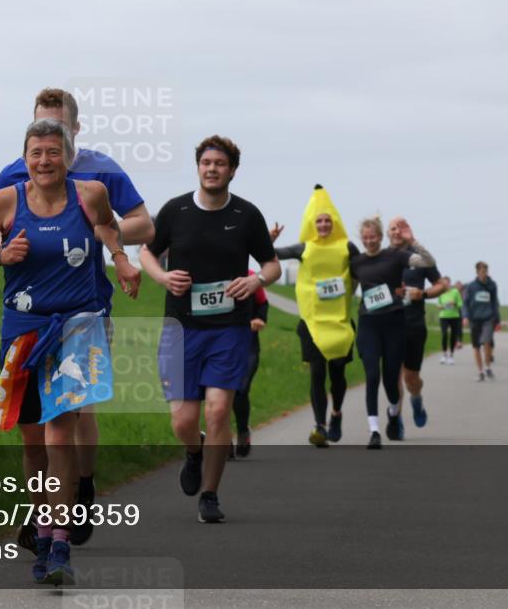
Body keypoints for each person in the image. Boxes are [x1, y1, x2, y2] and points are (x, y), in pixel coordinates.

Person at [0, 118, 140, 584]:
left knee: (60, 436)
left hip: (77, 329)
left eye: (53, 152)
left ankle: (59, 543)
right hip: (23, 332)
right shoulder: (6, 201)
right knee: (33, 441)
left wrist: (121, 260)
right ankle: (41, 532)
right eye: (36, 153)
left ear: (68, 156)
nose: (44, 161)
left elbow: (107, 226)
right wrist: (0, 256)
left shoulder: (91, 194)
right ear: (25, 159)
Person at [0, 88, 154, 549]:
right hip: (32, 310)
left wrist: (99, 230)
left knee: (74, 412)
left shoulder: (100, 172)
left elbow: (144, 223)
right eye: (40, 127)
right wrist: (3, 250)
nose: (50, 140)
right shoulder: (15, 172)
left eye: (60, 129)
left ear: (76, 129)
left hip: (88, 304)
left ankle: (81, 488)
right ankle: (43, 514)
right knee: (37, 425)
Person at [140, 135, 280, 522]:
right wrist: (163, 278)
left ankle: (210, 495)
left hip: (229, 328)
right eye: (206, 163)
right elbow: (147, 251)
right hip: (182, 328)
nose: (212, 169)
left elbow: (271, 265)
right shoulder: (176, 210)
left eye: (220, 164)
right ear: (198, 167)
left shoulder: (247, 215)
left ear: (232, 171)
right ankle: (194, 450)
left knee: (218, 411)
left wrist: (255, 281)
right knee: (184, 421)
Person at [271, 185, 358, 447]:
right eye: (318, 221)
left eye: (327, 220)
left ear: (335, 222)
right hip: (312, 324)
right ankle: (320, 425)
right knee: (317, 374)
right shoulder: (304, 248)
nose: (323, 225)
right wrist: (269, 240)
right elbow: (272, 255)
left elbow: (367, 268)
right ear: (312, 223)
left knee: (338, 376)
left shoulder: (347, 247)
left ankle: (336, 414)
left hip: (340, 323)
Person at [349, 217, 436, 449]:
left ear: (380, 236)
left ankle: (396, 410)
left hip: (397, 324)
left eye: (373, 237)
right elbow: (349, 288)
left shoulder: (397, 256)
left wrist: (413, 241)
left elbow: (428, 262)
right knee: (372, 376)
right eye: (365, 237)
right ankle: (375, 431)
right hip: (368, 324)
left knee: (394, 380)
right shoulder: (357, 262)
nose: (369, 241)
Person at [387, 216, 446, 434]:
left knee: (411, 378)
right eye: (393, 228)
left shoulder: (419, 258)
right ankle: (396, 419)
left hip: (413, 324)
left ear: (408, 231)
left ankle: (417, 399)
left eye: (401, 227)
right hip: (389, 323)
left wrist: (423, 294)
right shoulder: (383, 257)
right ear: (387, 233)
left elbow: (441, 284)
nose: (397, 231)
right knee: (393, 375)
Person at [229, 272, 269, 458]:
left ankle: (243, 431)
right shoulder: (210, 273)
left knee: (240, 389)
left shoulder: (250, 276)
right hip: (219, 345)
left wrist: (260, 318)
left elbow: (262, 303)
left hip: (248, 345)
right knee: (218, 393)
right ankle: (223, 439)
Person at [462, 261, 500, 382]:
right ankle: (480, 372)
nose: (484, 273)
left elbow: (495, 302)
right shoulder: (471, 286)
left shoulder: (492, 285)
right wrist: (465, 317)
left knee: (486, 342)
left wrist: (497, 318)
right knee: (476, 346)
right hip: (474, 319)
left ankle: (488, 367)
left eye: (486, 271)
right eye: (482, 271)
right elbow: (465, 303)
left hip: (488, 318)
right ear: (477, 272)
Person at [437, 277, 464, 364]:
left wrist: (454, 303)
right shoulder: (441, 292)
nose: (445, 284)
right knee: (444, 334)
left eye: (447, 283)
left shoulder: (455, 292)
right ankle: (444, 354)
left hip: (454, 316)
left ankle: (451, 355)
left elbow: (460, 304)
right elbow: (438, 305)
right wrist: (442, 306)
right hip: (443, 316)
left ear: (449, 283)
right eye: (444, 283)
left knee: (453, 335)